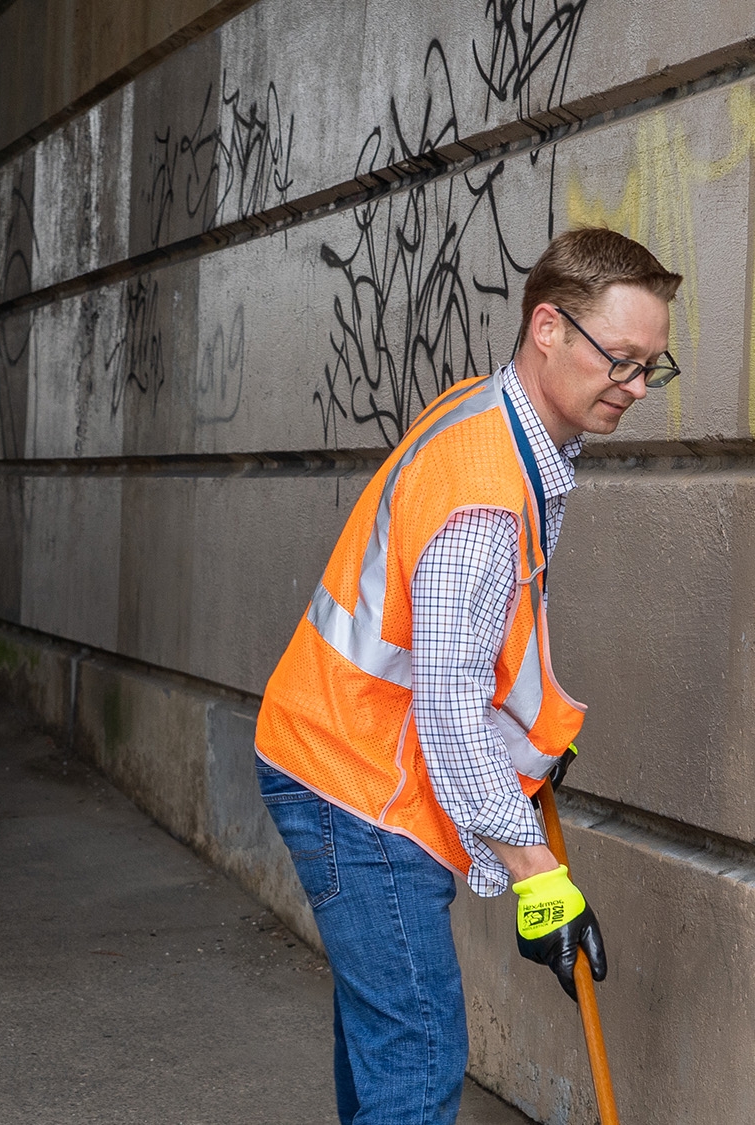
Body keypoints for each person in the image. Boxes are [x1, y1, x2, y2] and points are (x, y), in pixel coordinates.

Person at [253, 228, 681, 1122]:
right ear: (548, 329)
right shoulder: (484, 492)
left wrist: (519, 742)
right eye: (623, 361)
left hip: (345, 752)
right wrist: (540, 881)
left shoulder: (495, 419)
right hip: (355, 781)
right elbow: (447, 714)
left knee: (385, 1039)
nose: (637, 387)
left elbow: (470, 652)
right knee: (417, 1046)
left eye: (653, 366)